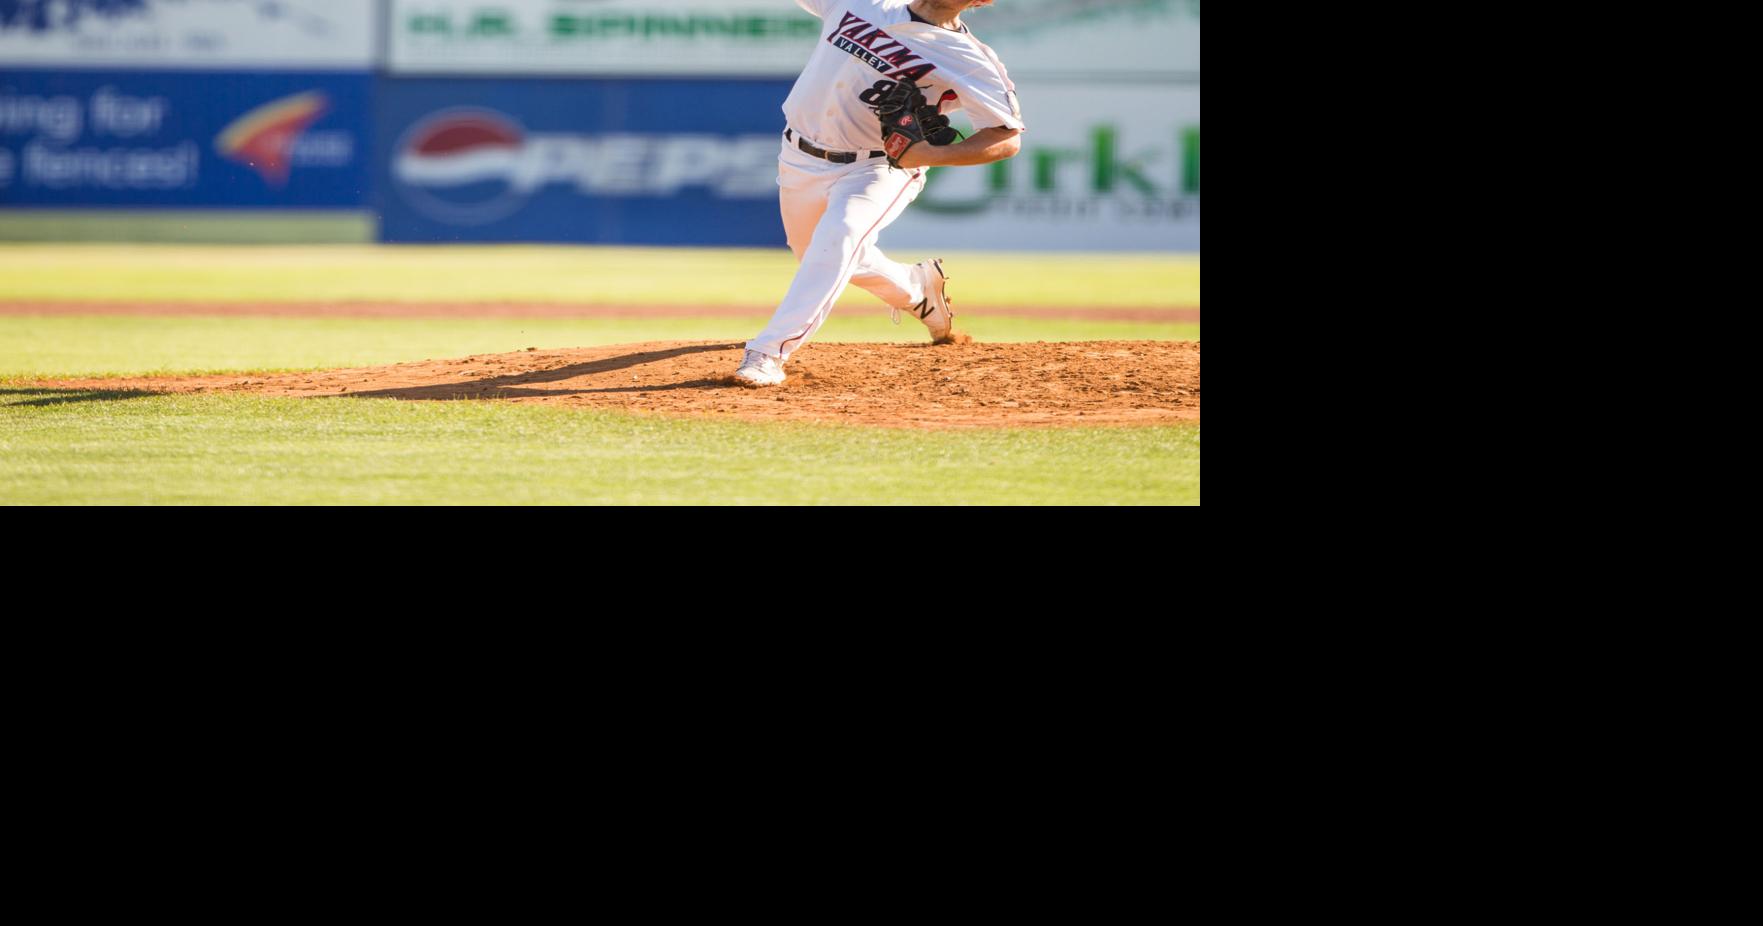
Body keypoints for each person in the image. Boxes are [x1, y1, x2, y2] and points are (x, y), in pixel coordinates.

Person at [732, 0, 1026, 387]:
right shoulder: (864, 2)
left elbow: (1006, 137)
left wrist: (933, 155)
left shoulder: (969, 57)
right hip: (799, 155)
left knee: (840, 237)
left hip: (877, 167)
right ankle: (917, 289)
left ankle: (769, 351)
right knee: (818, 253)